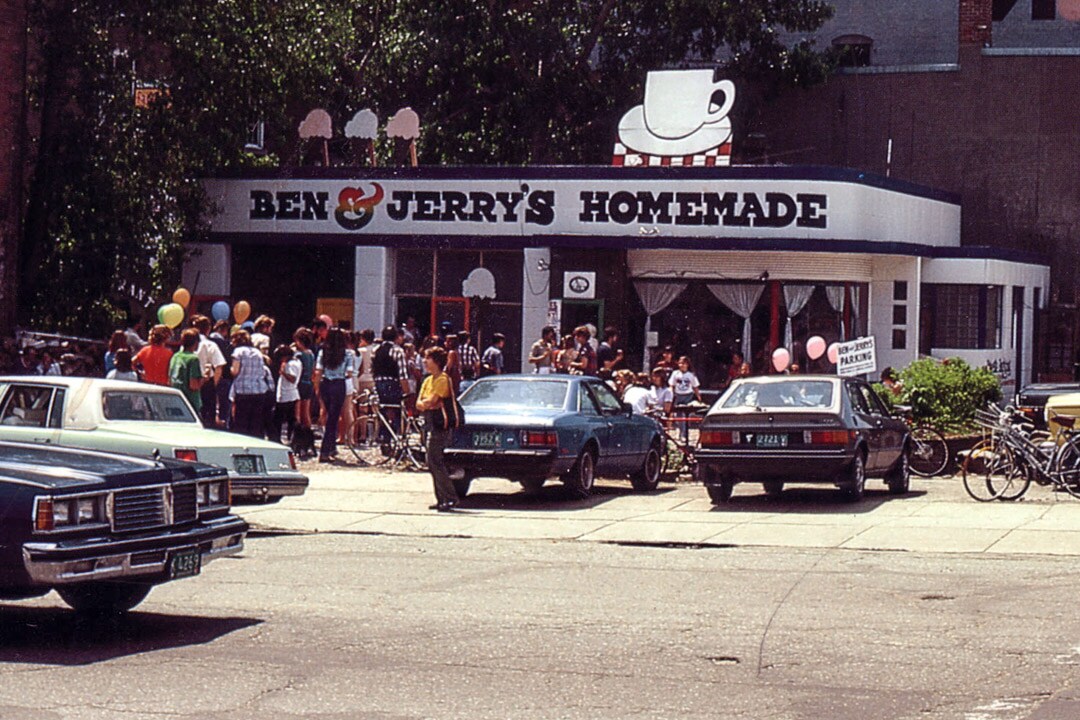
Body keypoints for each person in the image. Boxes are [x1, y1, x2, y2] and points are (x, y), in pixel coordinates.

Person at [415, 346, 459, 512]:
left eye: (428, 358)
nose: (425, 361)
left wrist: (428, 403)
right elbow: (420, 404)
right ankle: (441, 498)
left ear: (437, 361)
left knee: (435, 460)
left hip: (440, 425)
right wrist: (427, 404)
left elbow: (432, 401)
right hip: (428, 423)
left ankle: (450, 497)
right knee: (431, 462)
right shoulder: (428, 380)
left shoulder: (442, 379)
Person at [314, 327, 351, 462]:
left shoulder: (323, 353)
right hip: (339, 384)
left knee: (329, 415)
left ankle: (331, 447)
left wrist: (317, 388)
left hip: (326, 383)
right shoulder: (347, 354)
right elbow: (350, 373)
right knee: (333, 418)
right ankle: (325, 450)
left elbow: (318, 371)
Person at [372, 325, 411, 446]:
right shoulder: (398, 350)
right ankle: (394, 438)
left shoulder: (376, 350)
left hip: (379, 383)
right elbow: (402, 374)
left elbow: (373, 369)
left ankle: (384, 438)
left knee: (384, 411)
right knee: (395, 411)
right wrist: (407, 392)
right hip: (392, 383)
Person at [230, 329, 269, 438]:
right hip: (259, 390)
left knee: (241, 423)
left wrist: (229, 369)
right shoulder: (258, 352)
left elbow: (235, 371)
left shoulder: (238, 352)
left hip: (243, 390)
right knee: (255, 423)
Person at [191, 315, 227, 428]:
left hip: (192, 381)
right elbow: (219, 366)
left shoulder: (188, 344)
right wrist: (214, 384)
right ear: (208, 328)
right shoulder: (210, 345)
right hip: (207, 382)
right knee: (208, 417)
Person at [169, 328, 206, 414]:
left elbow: (170, 379)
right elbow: (193, 385)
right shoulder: (193, 359)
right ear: (196, 343)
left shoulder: (175, 356)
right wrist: (205, 378)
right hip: (190, 402)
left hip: (176, 399)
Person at [669, 356, 702, 442]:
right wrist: (671, 395)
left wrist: (699, 397)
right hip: (678, 395)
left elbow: (695, 386)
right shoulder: (675, 374)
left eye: (683, 363)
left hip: (688, 395)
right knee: (678, 416)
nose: (681, 365)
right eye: (680, 363)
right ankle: (681, 432)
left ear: (687, 364)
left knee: (685, 415)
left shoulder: (691, 375)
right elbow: (671, 385)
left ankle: (684, 434)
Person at [273, 344, 301, 445]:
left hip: (287, 394)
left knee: (279, 418)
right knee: (290, 418)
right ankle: (291, 439)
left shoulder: (291, 364)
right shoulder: (296, 362)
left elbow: (292, 378)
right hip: (290, 394)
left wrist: (283, 373)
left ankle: (283, 439)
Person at [209, 320, 234, 428]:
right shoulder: (224, 344)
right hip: (223, 376)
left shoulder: (207, 340)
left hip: (209, 376)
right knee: (224, 404)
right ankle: (223, 424)